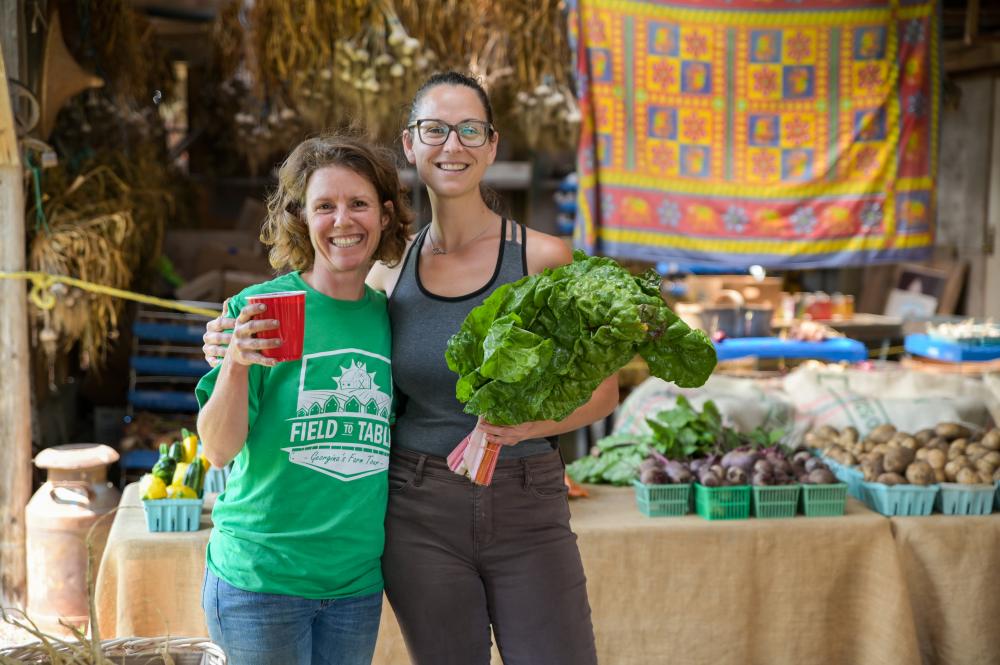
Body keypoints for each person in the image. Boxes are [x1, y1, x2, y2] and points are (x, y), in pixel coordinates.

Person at [203, 72, 617, 665]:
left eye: (470, 129)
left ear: (492, 144)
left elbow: (603, 393)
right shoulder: (386, 278)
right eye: (435, 130)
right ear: (411, 145)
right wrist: (226, 348)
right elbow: (315, 332)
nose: (453, 145)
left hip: (525, 497)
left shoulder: (544, 257)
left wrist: (524, 427)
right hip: (419, 507)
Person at [195, 134, 412, 665]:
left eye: (358, 203)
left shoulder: (391, 316)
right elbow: (218, 451)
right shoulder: (262, 309)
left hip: (355, 585)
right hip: (261, 582)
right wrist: (235, 365)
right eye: (325, 206)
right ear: (301, 217)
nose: (343, 220)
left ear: (384, 216)